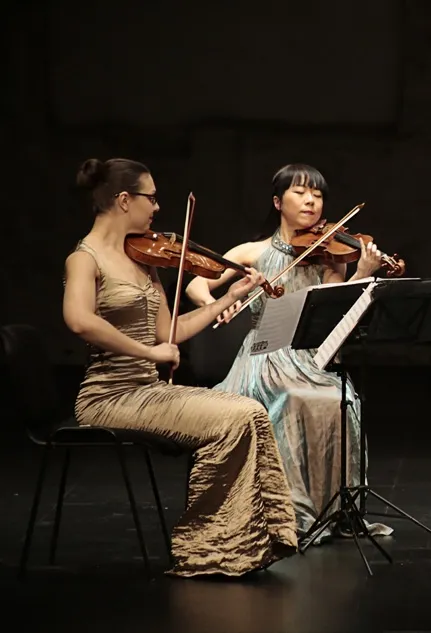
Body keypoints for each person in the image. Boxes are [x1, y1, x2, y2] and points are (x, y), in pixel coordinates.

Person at [63, 157, 298, 578]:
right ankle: (206, 548)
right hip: (108, 397)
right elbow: (80, 320)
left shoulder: (143, 259)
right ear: (123, 200)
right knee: (238, 416)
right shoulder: (84, 258)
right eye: (151, 198)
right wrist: (150, 354)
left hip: (148, 392)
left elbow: (170, 331)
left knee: (249, 411)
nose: (157, 208)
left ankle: (241, 542)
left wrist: (230, 297)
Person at [185, 163, 392, 547]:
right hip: (264, 356)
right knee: (292, 400)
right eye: (300, 192)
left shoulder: (330, 254)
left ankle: (335, 508)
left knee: (343, 401)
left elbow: (336, 308)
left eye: (317, 194)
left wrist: (361, 272)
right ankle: (287, 514)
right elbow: (197, 284)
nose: (311, 200)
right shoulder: (252, 251)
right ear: (278, 202)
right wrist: (220, 304)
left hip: (310, 357)